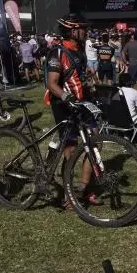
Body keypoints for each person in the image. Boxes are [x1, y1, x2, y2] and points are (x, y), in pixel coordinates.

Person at [44, 15, 95, 208]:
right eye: (83, 29)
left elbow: (77, 75)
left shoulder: (80, 49)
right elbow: (52, 84)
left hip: (83, 103)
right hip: (64, 106)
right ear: (73, 31)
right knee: (71, 152)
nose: (86, 32)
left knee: (95, 143)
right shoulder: (57, 52)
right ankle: (68, 195)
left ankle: (83, 188)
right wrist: (68, 98)